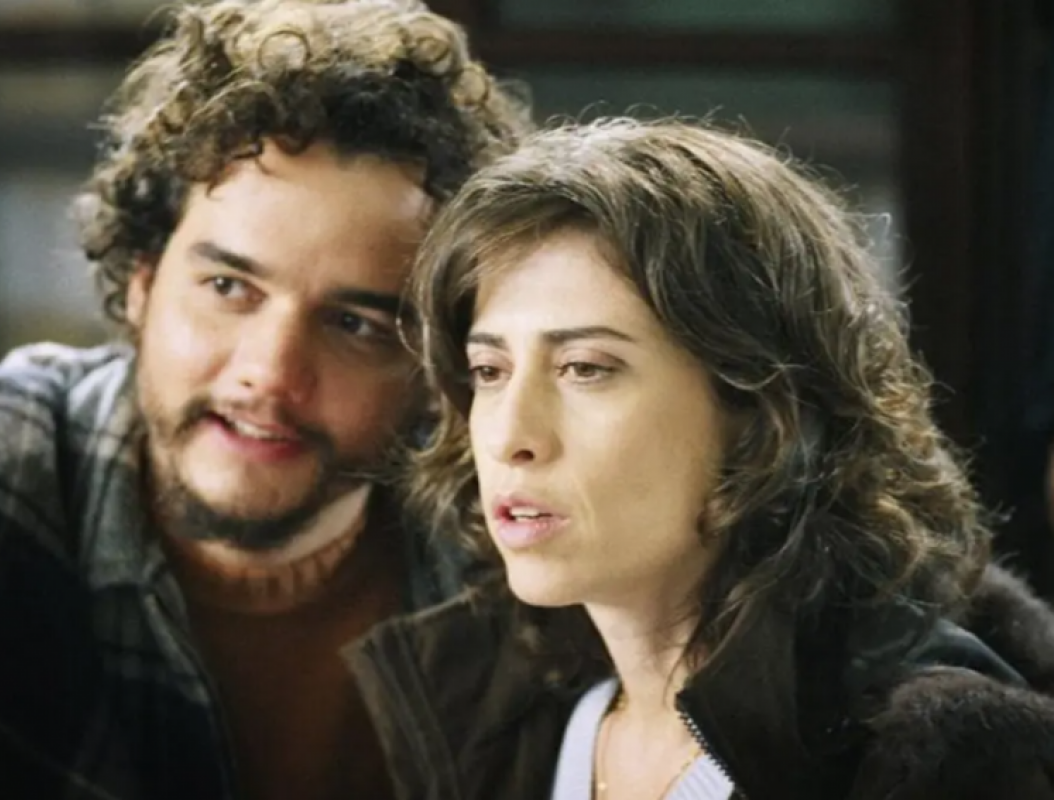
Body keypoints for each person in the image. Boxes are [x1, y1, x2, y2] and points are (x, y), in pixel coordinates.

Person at [0, 2, 531, 798]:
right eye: (228, 287)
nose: (270, 374)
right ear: (143, 282)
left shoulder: (513, 556)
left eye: (355, 324)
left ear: (435, 363)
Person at [366, 118, 1054, 800]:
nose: (510, 435)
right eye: (489, 371)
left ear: (759, 412)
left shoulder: (934, 761)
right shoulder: (490, 721)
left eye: (585, 368)